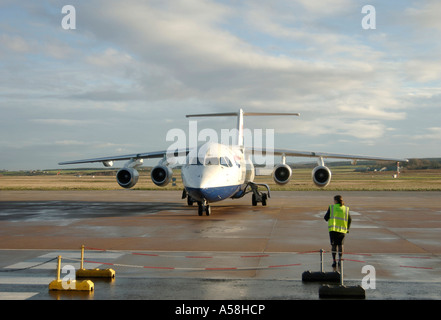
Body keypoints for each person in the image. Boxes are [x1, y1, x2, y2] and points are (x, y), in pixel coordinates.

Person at [324, 195, 351, 268]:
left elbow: (325, 218)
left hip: (333, 230)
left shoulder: (332, 208)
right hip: (342, 230)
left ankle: (334, 261)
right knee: (340, 245)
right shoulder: (345, 209)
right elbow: (349, 219)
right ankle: (340, 260)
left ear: (335, 201)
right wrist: (347, 228)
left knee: (334, 246)